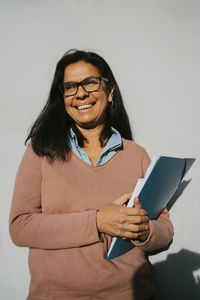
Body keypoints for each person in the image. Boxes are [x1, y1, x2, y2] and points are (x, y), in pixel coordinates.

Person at [9, 49, 174, 300]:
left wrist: (144, 231)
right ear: (62, 98)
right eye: (70, 87)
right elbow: (20, 227)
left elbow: (164, 230)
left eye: (90, 82)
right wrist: (97, 221)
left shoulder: (137, 154)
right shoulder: (40, 151)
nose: (81, 93)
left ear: (109, 92)